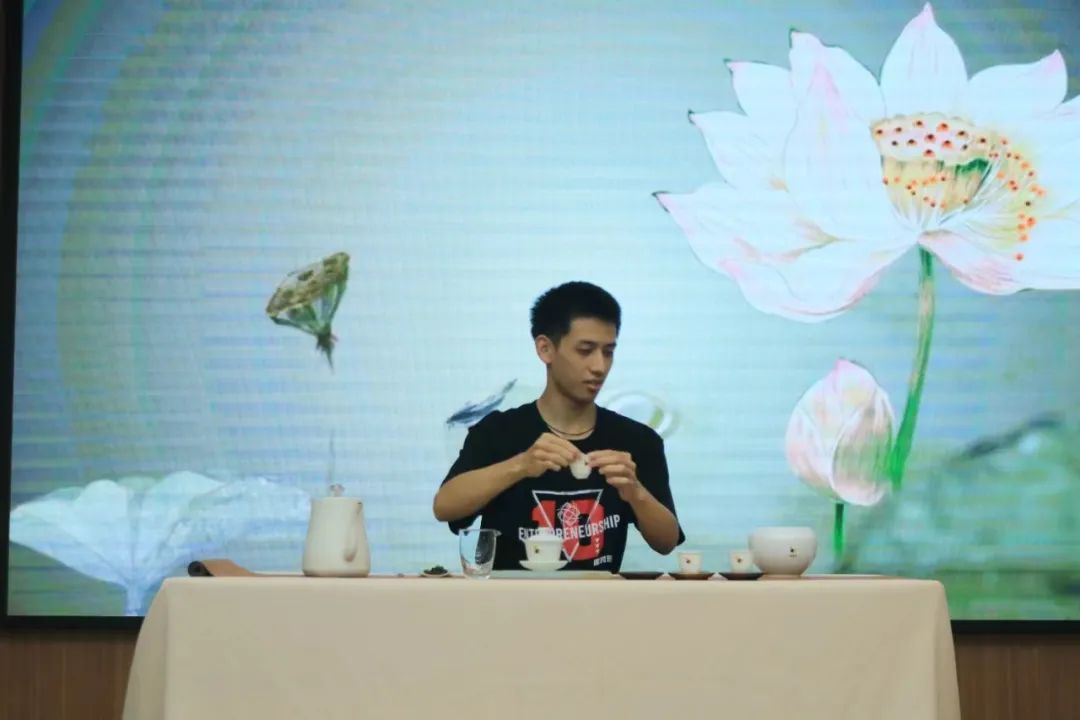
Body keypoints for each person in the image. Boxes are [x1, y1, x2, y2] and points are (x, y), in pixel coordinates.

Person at [433, 281, 683, 572]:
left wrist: (635, 492)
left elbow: (666, 542)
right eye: (585, 350)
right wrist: (521, 465)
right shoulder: (498, 431)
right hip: (508, 598)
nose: (599, 366)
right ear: (545, 349)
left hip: (599, 599)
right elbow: (445, 507)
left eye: (608, 352)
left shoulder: (637, 440)